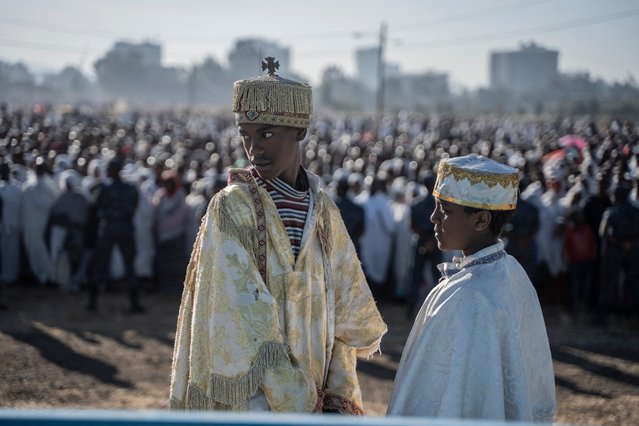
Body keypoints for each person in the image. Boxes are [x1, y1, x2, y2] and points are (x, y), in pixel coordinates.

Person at [170, 57, 387, 414]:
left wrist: (336, 394)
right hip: (255, 399)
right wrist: (295, 394)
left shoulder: (324, 213)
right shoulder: (231, 208)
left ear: (299, 132)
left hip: (318, 395)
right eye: (246, 135)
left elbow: (345, 315)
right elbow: (243, 314)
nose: (254, 149)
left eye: (267, 134)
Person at [387, 155, 555, 422]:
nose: (433, 218)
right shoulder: (511, 270)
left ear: (481, 220)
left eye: (444, 210)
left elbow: (435, 394)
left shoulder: (465, 294)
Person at [87, 157, 144, 313]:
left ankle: (92, 302)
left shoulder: (103, 188)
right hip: (125, 227)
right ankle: (134, 303)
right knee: (129, 265)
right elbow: (135, 204)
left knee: (100, 265)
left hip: (108, 227)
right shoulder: (130, 188)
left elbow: (95, 204)